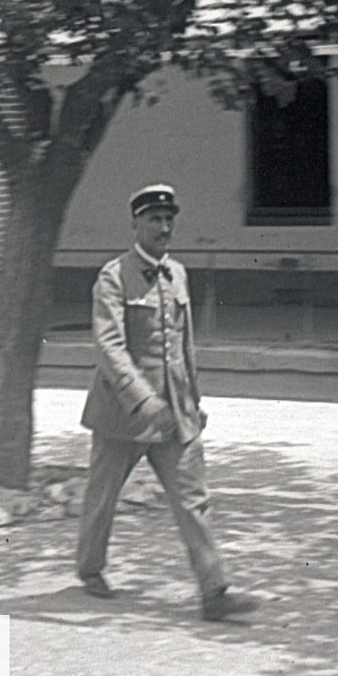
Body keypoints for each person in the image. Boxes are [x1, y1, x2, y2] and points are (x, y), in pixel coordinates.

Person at [75, 183, 233, 620]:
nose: (164, 228)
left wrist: (193, 401)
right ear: (136, 224)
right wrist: (143, 399)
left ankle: (214, 590)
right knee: (102, 497)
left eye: (169, 220)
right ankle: (90, 569)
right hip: (122, 414)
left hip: (173, 416)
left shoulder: (177, 273)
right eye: (154, 220)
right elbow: (110, 347)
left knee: (193, 499)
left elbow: (186, 347)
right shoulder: (112, 277)